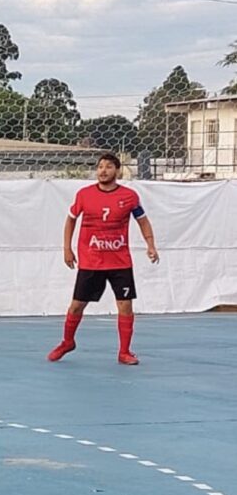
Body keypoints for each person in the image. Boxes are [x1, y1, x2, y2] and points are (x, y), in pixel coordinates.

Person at [48, 153, 159, 366]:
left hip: (120, 262)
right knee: (76, 306)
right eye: (100, 167)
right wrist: (67, 248)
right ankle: (67, 342)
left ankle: (124, 352)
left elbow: (143, 221)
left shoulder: (129, 196)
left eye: (108, 167)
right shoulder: (84, 195)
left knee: (125, 306)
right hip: (91, 261)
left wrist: (150, 245)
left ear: (117, 171)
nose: (103, 170)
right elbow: (71, 220)